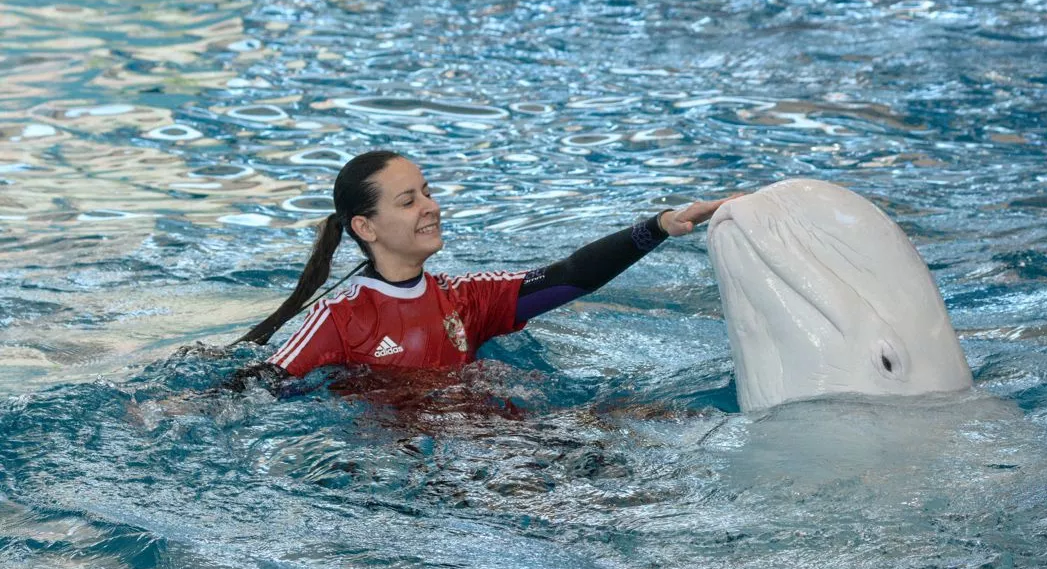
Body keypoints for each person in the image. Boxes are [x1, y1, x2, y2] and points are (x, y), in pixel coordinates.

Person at [235, 150, 736, 385]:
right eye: (408, 201)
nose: (431, 207)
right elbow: (259, 382)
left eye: (427, 192)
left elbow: (570, 276)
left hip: (497, 434)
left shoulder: (466, 298)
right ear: (366, 228)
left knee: (649, 419)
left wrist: (659, 225)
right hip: (430, 468)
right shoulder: (339, 318)